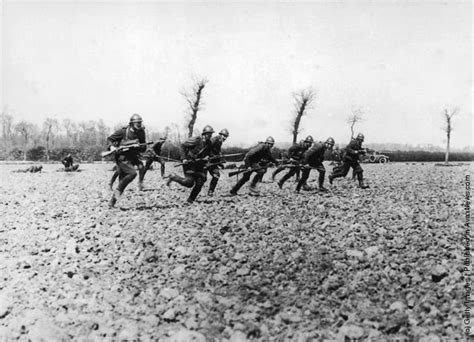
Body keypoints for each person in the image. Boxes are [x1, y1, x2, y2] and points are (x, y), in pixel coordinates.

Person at [166, 125, 214, 204]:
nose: (210, 135)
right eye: (209, 134)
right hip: (189, 163)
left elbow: (209, 153)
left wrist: (208, 157)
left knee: (200, 182)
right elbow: (182, 146)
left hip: (199, 164)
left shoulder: (209, 143)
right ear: (204, 134)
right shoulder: (196, 140)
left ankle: (190, 200)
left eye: (211, 134)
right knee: (189, 183)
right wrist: (184, 158)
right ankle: (173, 176)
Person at [107, 113, 147, 207]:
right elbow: (109, 139)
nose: (139, 125)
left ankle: (112, 202)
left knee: (123, 183)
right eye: (137, 123)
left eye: (140, 123)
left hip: (133, 157)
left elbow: (144, 147)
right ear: (132, 123)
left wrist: (140, 146)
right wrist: (112, 147)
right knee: (132, 173)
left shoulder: (141, 132)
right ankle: (114, 193)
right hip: (122, 157)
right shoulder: (123, 131)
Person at [207, 129, 229, 196]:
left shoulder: (220, 141)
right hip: (207, 161)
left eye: (226, 136)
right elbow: (207, 148)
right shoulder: (215, 139)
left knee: (216, 175)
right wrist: (210, 155)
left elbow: (217, 153)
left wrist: (220, 162)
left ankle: (210, 191)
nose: (225, 138)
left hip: (213, 162)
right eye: (224, 136)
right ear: (220, 135)